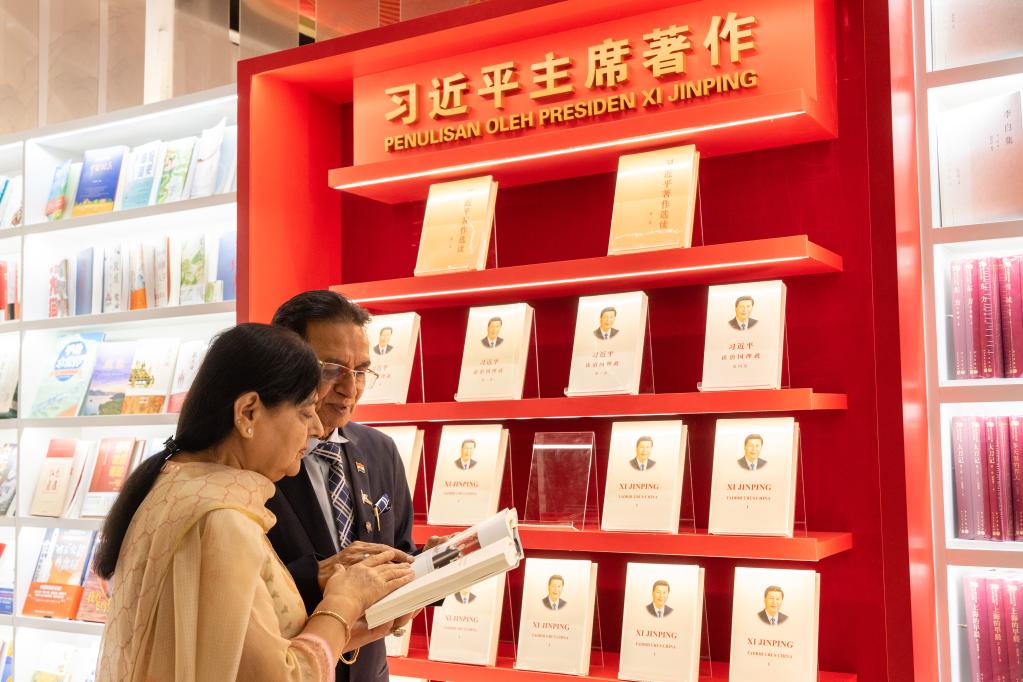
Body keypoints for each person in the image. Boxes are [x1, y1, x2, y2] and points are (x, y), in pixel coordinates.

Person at [95, 324, 414, 681]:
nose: (317, 430)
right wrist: (344, 602)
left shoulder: (176, 487)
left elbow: (227, 656)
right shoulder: (221, 520)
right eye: (306, 413)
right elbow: (284, 676)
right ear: (248, 413)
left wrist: (361, 614)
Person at [269, 290, 439, 682]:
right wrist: (322, 576)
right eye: (331, 369)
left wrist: (430, 569)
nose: (350, 388)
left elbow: (396, 552)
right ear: (285, 364)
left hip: (368, 670)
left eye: (360, 371)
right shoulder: (255, 458)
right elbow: (239, 592)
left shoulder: (381, 450)